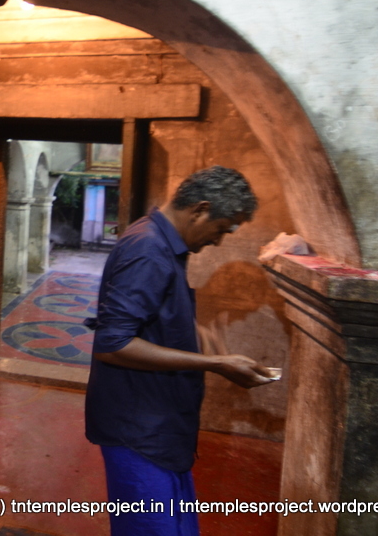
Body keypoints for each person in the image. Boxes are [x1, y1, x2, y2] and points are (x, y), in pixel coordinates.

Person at [84, 166, 276, 536]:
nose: (218, 241)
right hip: (138, 430)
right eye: (221, 229)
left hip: (162, 425)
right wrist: (214, 363)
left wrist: (193, 332)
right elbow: (113, 343)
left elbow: (150, 313)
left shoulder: (164, 242)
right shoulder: (148, 250)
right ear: (200, 210)